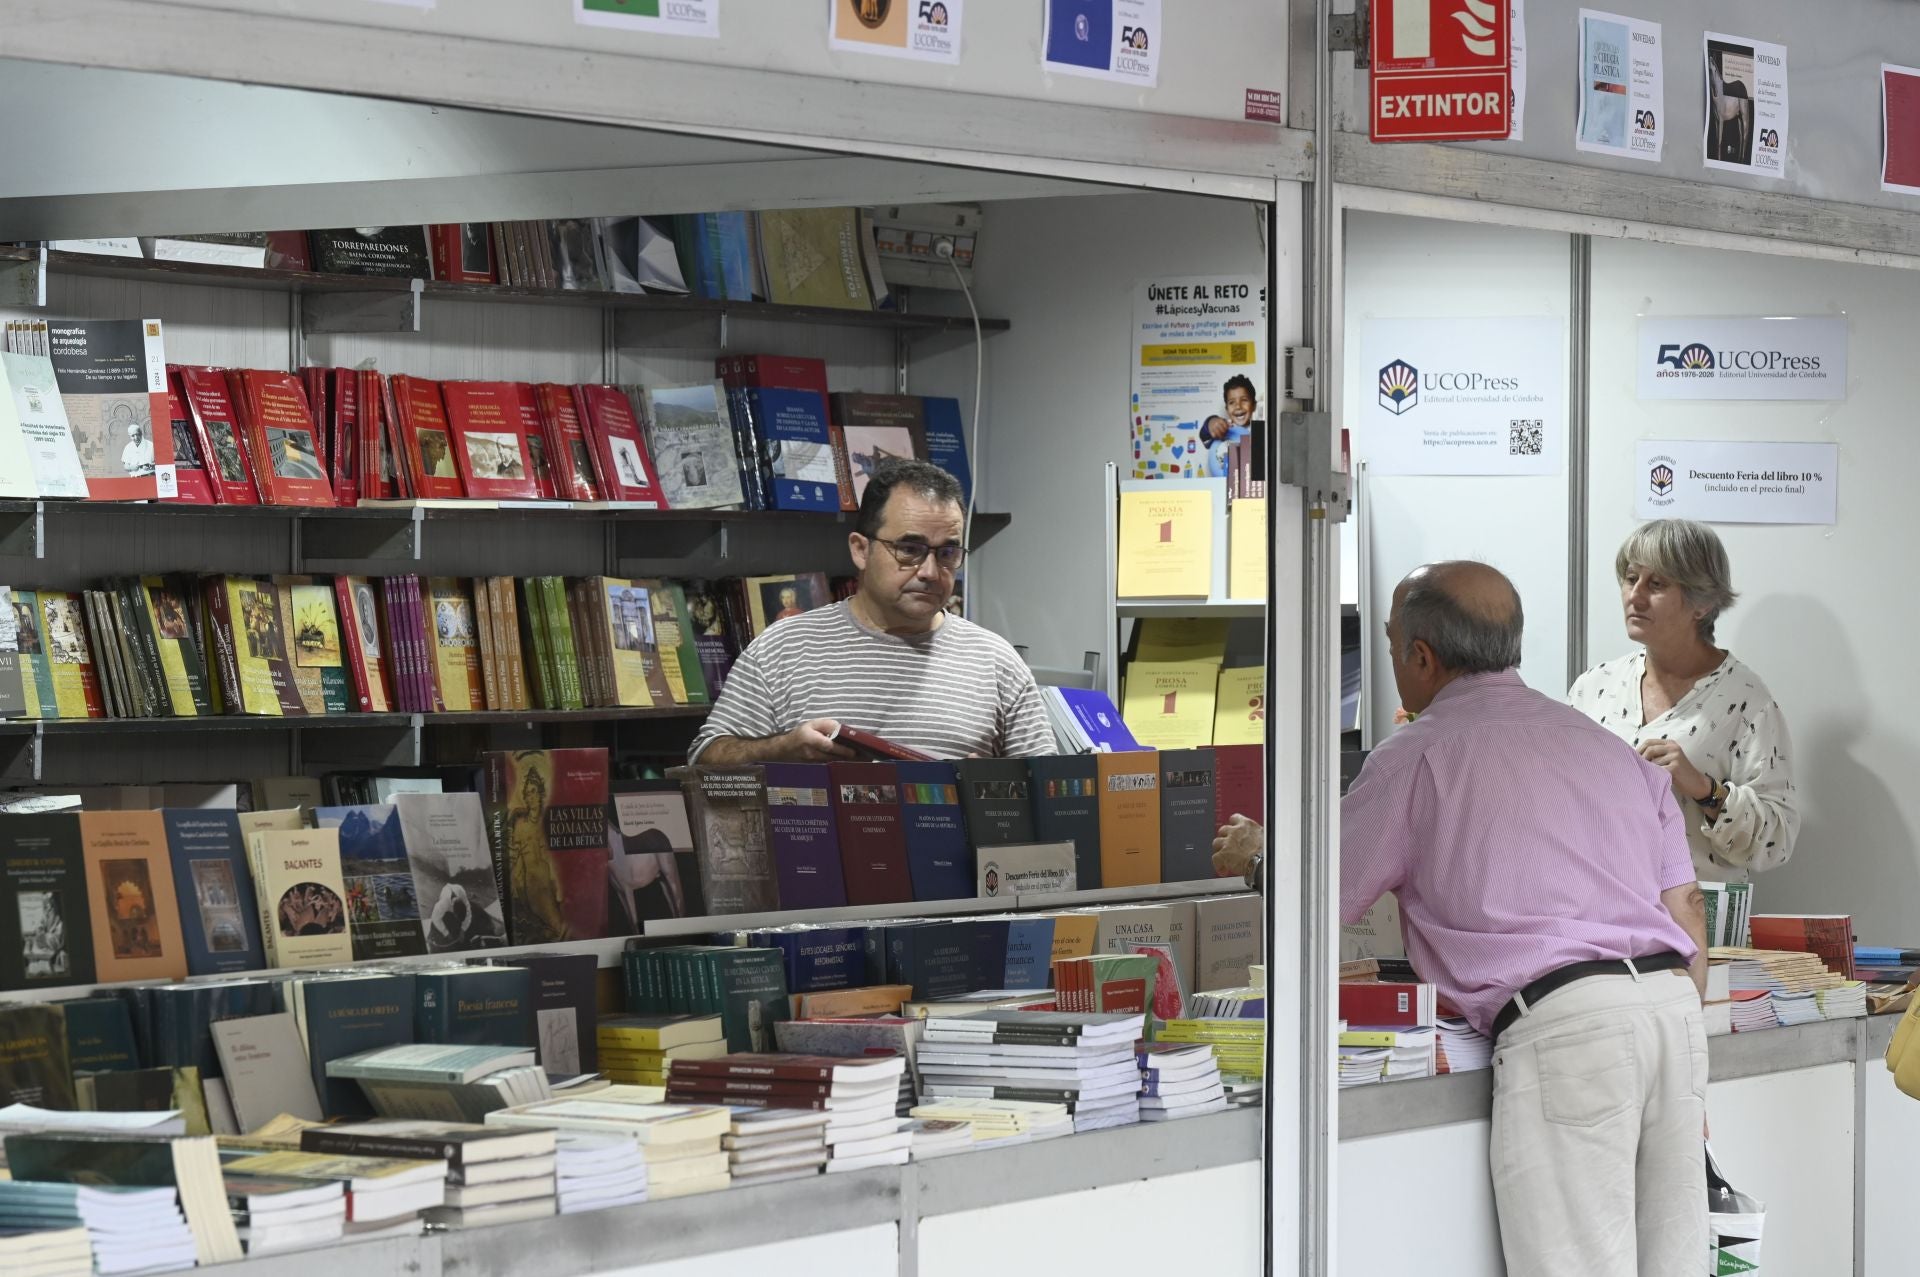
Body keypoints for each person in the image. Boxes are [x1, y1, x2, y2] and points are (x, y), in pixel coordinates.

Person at [1343, 560, 1707, 1276]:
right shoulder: (1608, 748)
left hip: (1567, 1028)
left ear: (1422, 656)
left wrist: (1260, 859)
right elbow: (1686, 906)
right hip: (1672, 1010)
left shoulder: (1414, 756)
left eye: (1390, 643)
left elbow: (1321, 896)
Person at [690, 459, 1053, 764]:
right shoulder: (784, 647)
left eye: (947, 553)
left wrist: (996, 787)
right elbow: (704, 759)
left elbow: (1045, 792)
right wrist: (781, 750)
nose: (930, 572)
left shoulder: (996, 662)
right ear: (861, 550)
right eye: (909, 549)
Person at [1569, 519, 1798, 882]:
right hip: (1601, 907)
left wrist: (1705, 790)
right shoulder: (1594, 688)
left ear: (1701, 603)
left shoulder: (1746, 700)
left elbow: (1776, 841)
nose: (1635, 596)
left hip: (1696, 912)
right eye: (1631, 578)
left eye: (1656, 584)